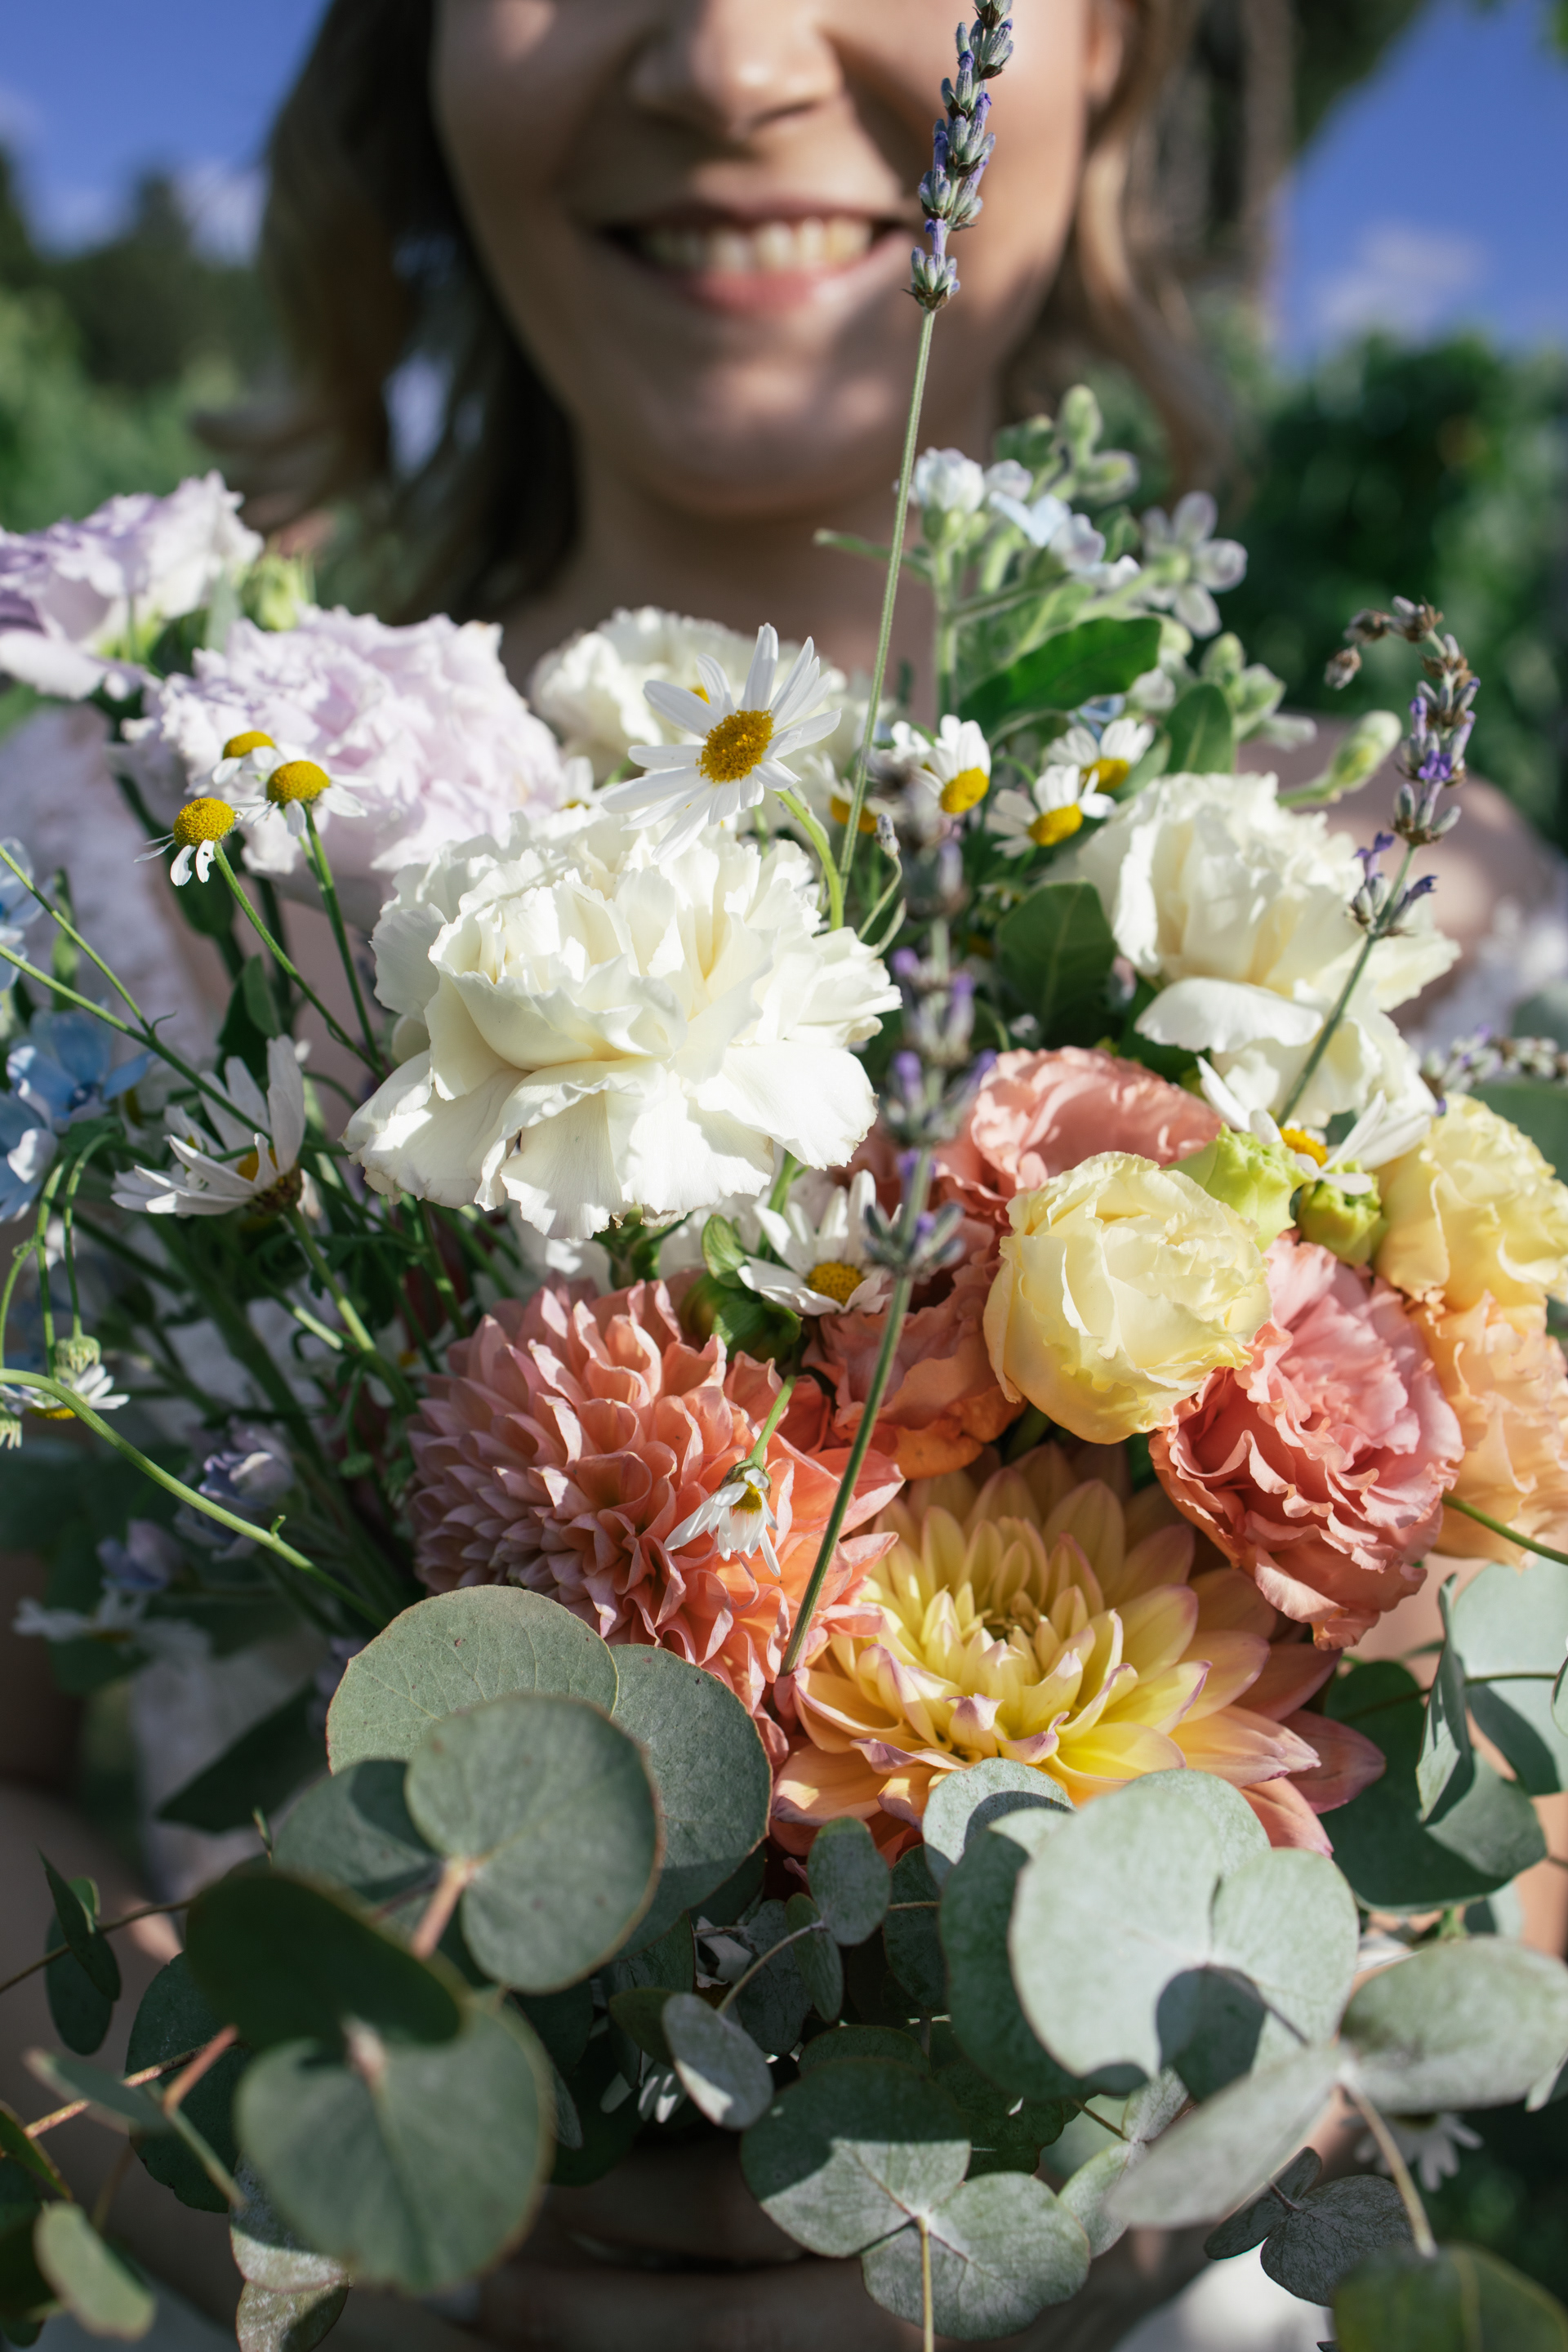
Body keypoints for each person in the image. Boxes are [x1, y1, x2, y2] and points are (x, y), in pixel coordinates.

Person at [0, 5, 1561, 2347]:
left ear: (1116, 44)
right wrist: (271, 2166)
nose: (729, 61)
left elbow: (1509, 1848)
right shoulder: (113, 865)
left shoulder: (1396, 941)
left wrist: (1147, 2164)